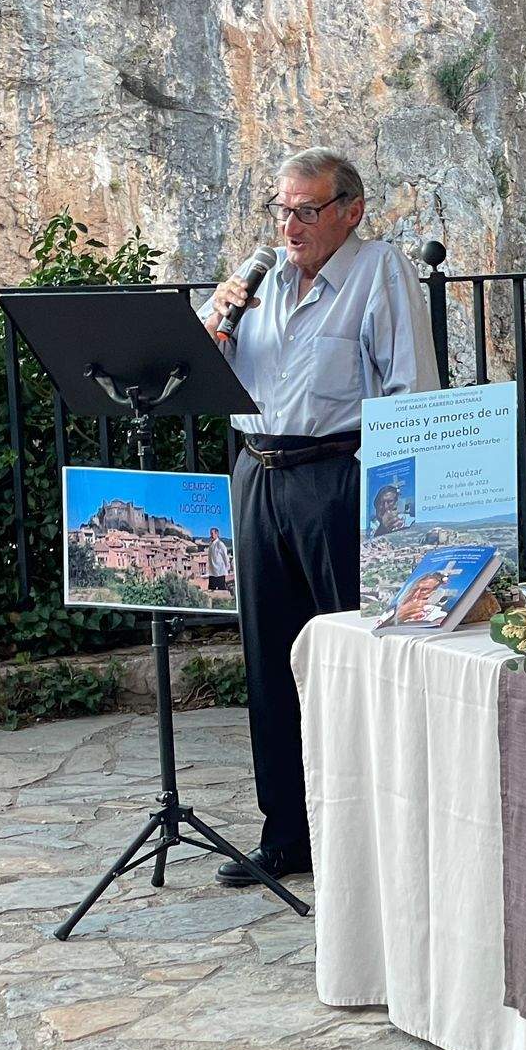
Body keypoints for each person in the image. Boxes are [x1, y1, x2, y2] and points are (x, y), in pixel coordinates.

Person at [202, 146, 440, 886]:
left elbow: (411, 393)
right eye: (282, 210)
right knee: (270, 662)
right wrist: (214, 328)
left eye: (307, 211)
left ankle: (369, 833)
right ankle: (288, 836)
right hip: (257, 474)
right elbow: (207, 377)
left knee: (352, 658)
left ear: (351, 211)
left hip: (338, 476)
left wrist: (391, 510)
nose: (292, 227)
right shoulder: (260, 281)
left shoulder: (380, 273)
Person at [205, 527, 230, 593]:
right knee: (210, 590)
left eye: (212, 533)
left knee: (221, 590)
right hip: (212, 572)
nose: (211, 535)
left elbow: (225, 556)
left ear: (217, 534)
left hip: (220, 572)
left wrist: (227, 568)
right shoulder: (211, 544)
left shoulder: (220, 544)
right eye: (210, 533)